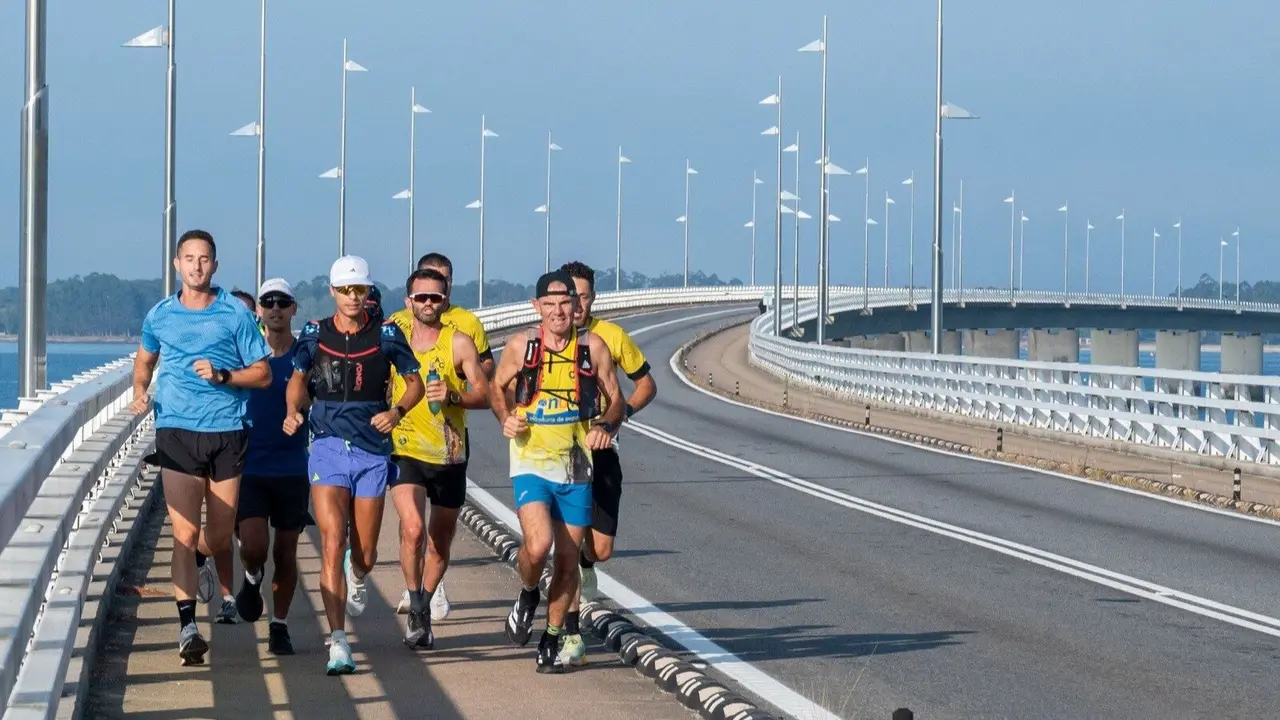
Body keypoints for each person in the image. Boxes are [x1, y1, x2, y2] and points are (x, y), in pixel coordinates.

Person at [129, 229, 272, 666]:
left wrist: (224, 376)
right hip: (175, 429)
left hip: (227, 430)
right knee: (185, 534)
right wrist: (139, 391)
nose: (196, 266)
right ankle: (188, 626)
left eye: (204, 259)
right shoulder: (160, 315)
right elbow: (144, 361)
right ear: (177, 264)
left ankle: (213, 564)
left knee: (215, 536)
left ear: (215, 264)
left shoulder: (235, 315)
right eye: (188, 258)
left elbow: (263, 374)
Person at [284, 255, 424, 675]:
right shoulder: (313, 334)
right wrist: (294, 410)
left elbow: (414, 382)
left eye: (359, 290)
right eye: (344, 290)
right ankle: (339, 641)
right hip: (326, 446)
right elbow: (296, 378)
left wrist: (397, 412)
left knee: (363, 552)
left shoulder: (387, 335)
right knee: (331, 541)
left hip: (371, 449)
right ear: (332, 292)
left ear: (367, 293)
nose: (351, 297)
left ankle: (357, 573)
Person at [489, 270, 624, 673]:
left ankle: (551, 635)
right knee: (537, 544)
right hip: (531, 461)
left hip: (576, 464)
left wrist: (605, 426)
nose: (558, 312)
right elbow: (497, 386)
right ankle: (528, 591)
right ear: (537, 308)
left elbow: (616, 399)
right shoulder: (522, 345)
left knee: (567, 561)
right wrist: (506, 417)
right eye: (549, 305)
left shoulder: (593, 347)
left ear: (576, 305)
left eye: (565, 303)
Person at [557, 260, 658, 666]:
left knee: (600, 549)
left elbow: (646, 383)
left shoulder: (611, 336)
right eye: (569, 296)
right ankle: (571, 634)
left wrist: (621, 415)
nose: (576, 304)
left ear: (593, 298)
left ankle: (586, 562)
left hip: (603, 451)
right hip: (561, 454)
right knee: (565, 543)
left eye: (583, 296)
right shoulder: (547, 339)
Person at [387, 251, 494, 619]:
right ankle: (417, 602)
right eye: (421, 297)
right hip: (404, 449)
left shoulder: (459, 342)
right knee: (413, 530)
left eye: (435, 297)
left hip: (449, 453)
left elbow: (485, 393)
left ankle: (428, 595)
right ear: (409, 302)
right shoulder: (393, 335)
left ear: (445, 300)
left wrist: (453, 394)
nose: (428, 304)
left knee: (438, 542)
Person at [232, 278, 311, 655]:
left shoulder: (305, 356)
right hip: (250, 466)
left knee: (286, 552)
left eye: (283, 302)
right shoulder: (245, 354)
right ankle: (251, 577)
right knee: (253, 546)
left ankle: (279, 625)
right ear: (259, 310)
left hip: (292, 467)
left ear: (294, 308)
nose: (276, 308)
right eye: (268, 302)